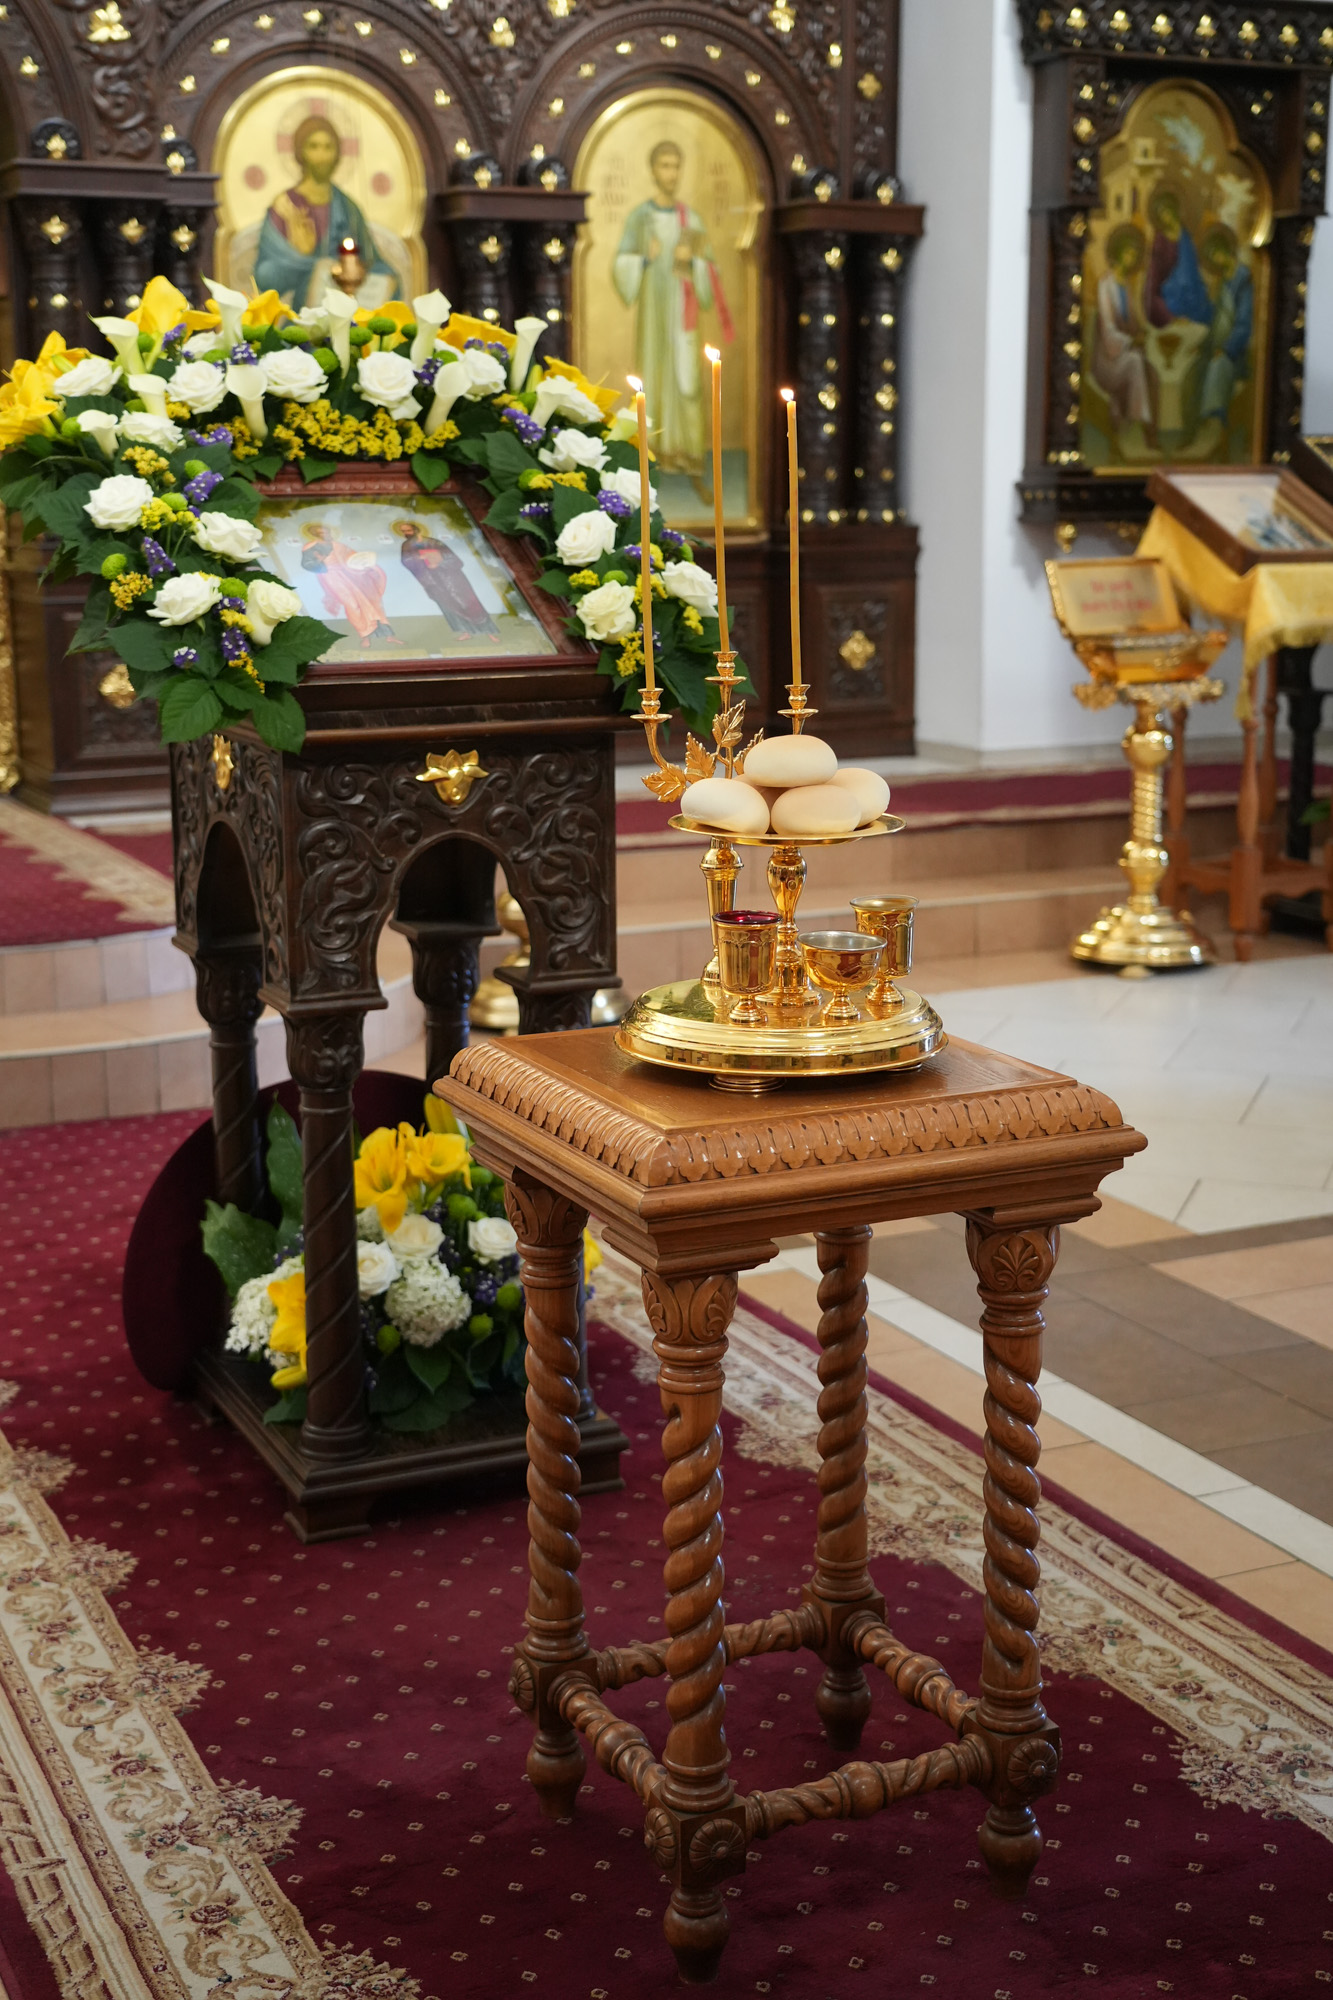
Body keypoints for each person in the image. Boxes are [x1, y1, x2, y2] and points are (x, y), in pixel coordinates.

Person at [611, 140, 733, 476]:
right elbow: (621, 264)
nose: (671, 173)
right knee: (653, 374)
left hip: (682, 313)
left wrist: (692, 262)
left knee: (686, 379)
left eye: (676, 166)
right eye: (665, 165)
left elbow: (712, 269)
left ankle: (687, 452)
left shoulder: (690, 219)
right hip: (653, 313)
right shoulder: (641, 217)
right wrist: (644, 258)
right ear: (653, 170)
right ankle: (655, 450)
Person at [254, 115, 393, 308]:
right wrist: (302, 257)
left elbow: (374, 263)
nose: (322, 155)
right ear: (300, 151)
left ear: (337, 154)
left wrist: (357, 271)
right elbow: (264, 276)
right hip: (300, 318)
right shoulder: (285, 207)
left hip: (349, 314)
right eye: (314, 146)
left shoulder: (348, 208)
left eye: (328, 147)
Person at [1184, 224, 1254, 461]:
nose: (1216, 259)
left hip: (1235, 355)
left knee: (1216, 368)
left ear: (1227, 250)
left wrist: (1225, 350)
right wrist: (1203, 346)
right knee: (1193, 370)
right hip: (1216, 349)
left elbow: (1244, 324)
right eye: (1212, 256)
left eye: (1218, 253)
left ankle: (1213, 429)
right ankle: (1193, 432)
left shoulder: (1243, 280)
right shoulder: (1223, 282)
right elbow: (1216, 324)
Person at [1091, 223, 1158, 460]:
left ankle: (1149, 429)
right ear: (1118, 252)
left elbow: (1133, 321)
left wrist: (1142, 333)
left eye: (1133, 253)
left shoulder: (1127, 286)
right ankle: (1138, 428)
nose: (1130, 258)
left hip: (1125, 353)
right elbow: (1108, 330)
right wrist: (1130, 342)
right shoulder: (1105, 284)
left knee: (1150, 368)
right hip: (1107, 361)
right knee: (1135, 362)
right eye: (1127, 252)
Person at [392, 520, 496, 640]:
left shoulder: (433, 542)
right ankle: (465, 631)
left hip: (452, 579)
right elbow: (406, 561)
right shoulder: (406, 546)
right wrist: (420, 557)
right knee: (448, 606)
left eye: (408, 530)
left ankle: (489, 632)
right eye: (403, 531)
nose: (406, 533)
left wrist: (439, 562)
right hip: (433, 582)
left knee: (468, 603)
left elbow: (454, 559)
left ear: (416, 529)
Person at [299, 521, 396, 646]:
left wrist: (366, 564)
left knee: (371, 601)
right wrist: (321, 562)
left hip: (353, 575)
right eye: (320, 533)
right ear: (314, 534)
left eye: (326, 532)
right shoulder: (310, 547)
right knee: (352, 605)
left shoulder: (339, 545)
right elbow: (307, 564)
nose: (325, 534)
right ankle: (365, 635)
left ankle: (387, 634)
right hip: (333, 577)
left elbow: (354, 557)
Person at [1144, 185, 1211, 329]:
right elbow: (1153, 281)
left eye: (1168, 211)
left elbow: (1193, 270)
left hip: (1193, 297)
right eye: (1162, 213)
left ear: (1175, 209)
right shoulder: (1160, 241)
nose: (1166, 216)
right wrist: (1168, 316)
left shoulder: (1186, 236)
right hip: (1172, 300)